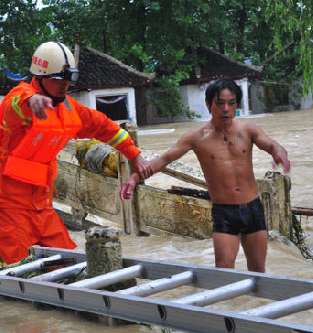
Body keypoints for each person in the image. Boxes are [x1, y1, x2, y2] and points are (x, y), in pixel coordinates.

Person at [0, 41, 152, 264]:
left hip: (42, 208)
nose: (64, 84)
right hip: (7, 207)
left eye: (68, 79)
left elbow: (104, 126)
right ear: (40, 78)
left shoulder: (69, 108)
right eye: (58, 79)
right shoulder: (20, 101)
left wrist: (135, 155)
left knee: (73, 262)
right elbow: (16, 100)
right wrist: (32, 99)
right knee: (20, 270)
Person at [120, 79, 290, 272]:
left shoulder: (248, 130)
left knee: (259, 271)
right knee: (224, 271)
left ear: (236, 106)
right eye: (220, 103)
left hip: (252, 208)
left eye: (231, 103)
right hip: (224, 212)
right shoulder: (196, 137)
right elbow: (163, 160)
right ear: (209, 104)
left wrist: (278, 151)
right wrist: (134, 178)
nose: (226, 108)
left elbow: (270, 144)